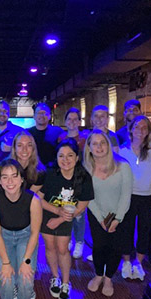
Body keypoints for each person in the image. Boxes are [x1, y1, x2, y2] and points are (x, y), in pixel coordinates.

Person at [0, 159, 42, 299]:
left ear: (21, 179)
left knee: (26, 278)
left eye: (14, 176)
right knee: (6, 277)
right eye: (5, 177)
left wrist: (26, 262)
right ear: (0, 181)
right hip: (4, 237)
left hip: (26, 235)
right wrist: (5, 262)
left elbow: (35, 233)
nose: (10, 182)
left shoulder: (33, 200)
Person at [40, 139, 94, 299]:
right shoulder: (51, 175)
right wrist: (56, 213)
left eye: (70, 155)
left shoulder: (84, 177)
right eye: (61, 156)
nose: (65, 160)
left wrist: (62, 218)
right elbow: (39, 199)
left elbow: (84, 203)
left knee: (63, 249)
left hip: (68, 216)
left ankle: (65, 282)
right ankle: (55, 277)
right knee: (50, 246)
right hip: (49, 213)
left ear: (77, 158)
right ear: (56, 158)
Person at [118, 116, 151, 279]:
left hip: (148, 197)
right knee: (125, 230)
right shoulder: (122, 150)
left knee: (144, 231)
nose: (140, 131)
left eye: (144, 128)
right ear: (131, 129)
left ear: (148, 131)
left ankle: (138, 263)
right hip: (127, 196)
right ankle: (126, 262)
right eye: (137, 127)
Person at [83, 130, 133, 297]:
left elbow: (126, 195)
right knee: (99, 247)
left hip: (120, 214)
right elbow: (87, 197)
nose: (99, 147)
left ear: (109, 145)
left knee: (115, 247)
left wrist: (117, 219)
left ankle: (109, 277)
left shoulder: (123, 166)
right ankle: (98, 275)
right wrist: (101, 219)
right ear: (89, 147)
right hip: (97, 214)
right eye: (95, 143)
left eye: (102, 142)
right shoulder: (86, 169)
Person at [58, 108, 88, 259]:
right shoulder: (60, 137)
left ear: (79, 121)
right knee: (66, 209)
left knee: (79, 214)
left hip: (79, 178)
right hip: (64, 178)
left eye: (75, 119)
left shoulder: (85, 138)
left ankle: (80, 242)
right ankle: (68, 238)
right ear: (65, 121)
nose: (72, 122)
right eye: (69, 119)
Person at [0, 100, 25, 165]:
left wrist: (12, 149)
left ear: (9, 114)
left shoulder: (20, 132)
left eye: (5, 111)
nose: (2, 114)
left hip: (14, 172)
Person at [27, 103, 63, 167]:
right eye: (39, 113)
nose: (42, 115)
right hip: (32, 170)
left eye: (45, 113)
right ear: (34, 116)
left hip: (53, 170)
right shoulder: (27, 133)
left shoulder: (57, 131)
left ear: (49, 116)